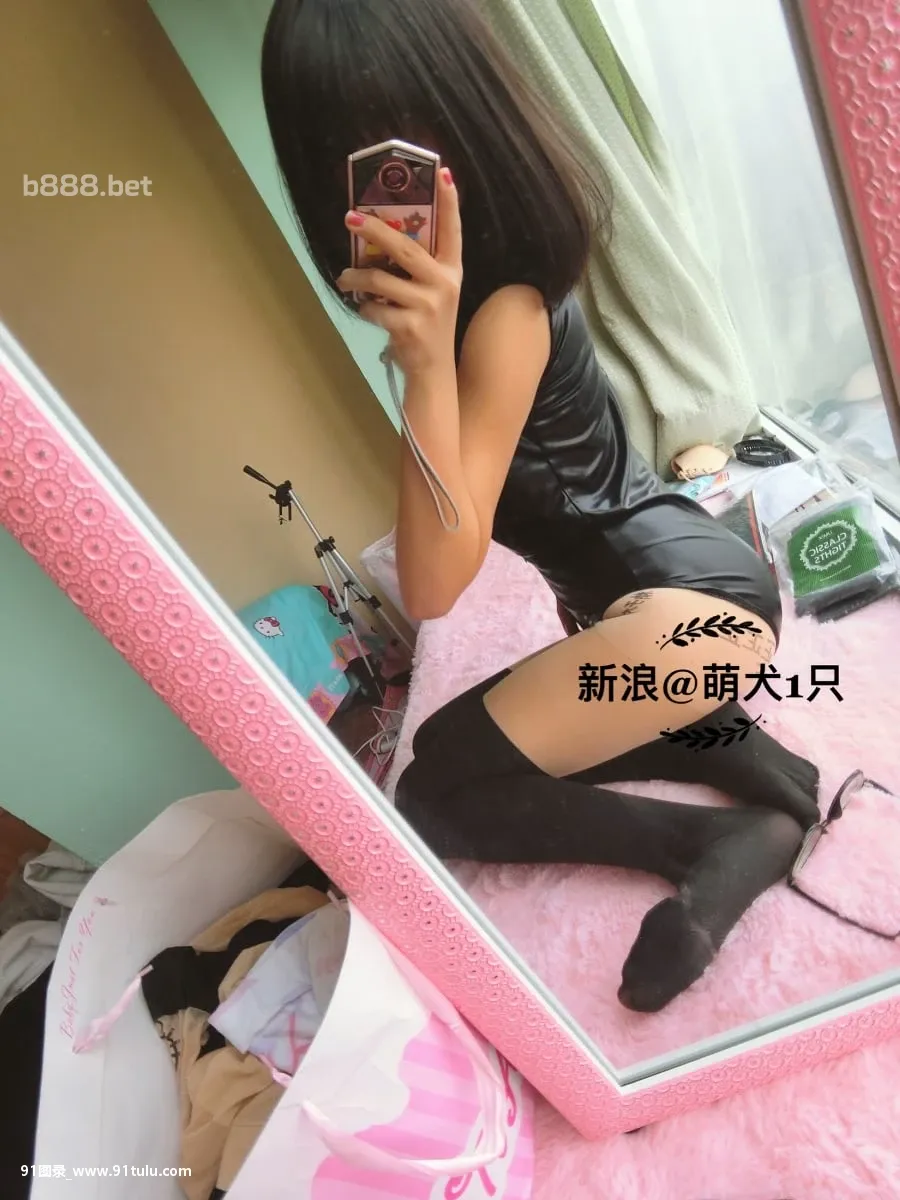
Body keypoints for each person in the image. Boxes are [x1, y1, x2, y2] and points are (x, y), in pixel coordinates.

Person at [261, 0, 821, 1012]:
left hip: (692, 616)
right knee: (453, 754)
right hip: (653, 605)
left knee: (433, 793)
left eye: (401, 158)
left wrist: (422, 368)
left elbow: (434, 584)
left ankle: (727, 838)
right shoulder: (469, 305)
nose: (385, 198)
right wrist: (421, 355)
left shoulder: (505, 311)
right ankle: (725, 740)